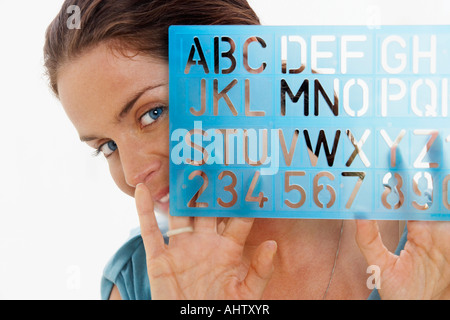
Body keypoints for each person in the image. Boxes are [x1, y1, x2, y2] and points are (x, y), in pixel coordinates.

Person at [43, 0, 450, 300]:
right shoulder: (142, 282)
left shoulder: (430, 243)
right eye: (107, 146)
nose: (132, 174)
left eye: (153, 113)